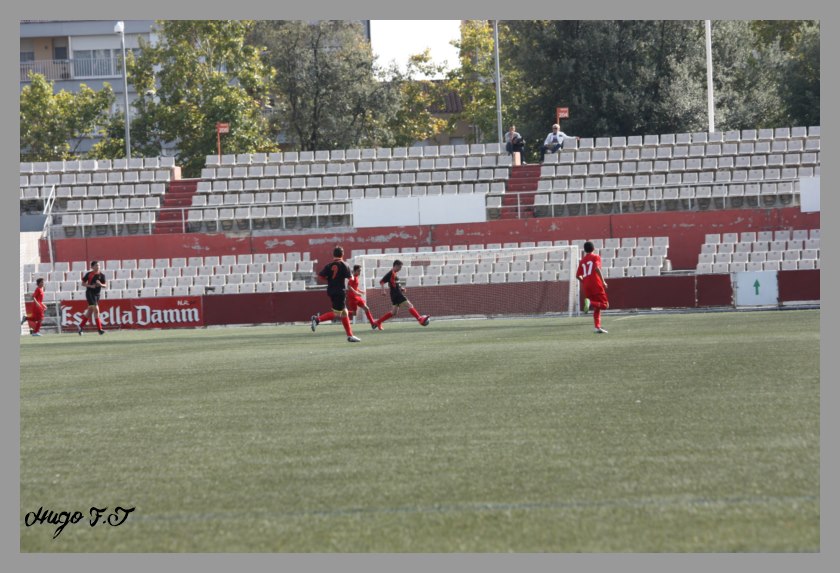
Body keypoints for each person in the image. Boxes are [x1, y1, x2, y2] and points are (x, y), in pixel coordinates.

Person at [310, 246, 361, 342]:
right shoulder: (345, 265)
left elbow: (320, 276)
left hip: (331, 290)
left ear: (333, 255)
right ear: (342, 254)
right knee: (337, 313)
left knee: (344, 313)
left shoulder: (329, 265)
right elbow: (351, 279)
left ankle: (350, 336)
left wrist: (329, 280)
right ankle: (317, 320)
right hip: (339, 291)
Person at [372, 260, 430, 330]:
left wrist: (401, 288)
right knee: (409, 305)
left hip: (395, 294)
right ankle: (420, 319)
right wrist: (383, 290)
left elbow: (395, 284)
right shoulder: (390, 273)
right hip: (397, 294)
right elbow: (381, 281)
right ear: (395, 266)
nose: (400, 269)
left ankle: (378, 322)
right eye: (399, 267)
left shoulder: (395, 273)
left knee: (393, 312)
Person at [576, 242, 609, 334]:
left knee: (597, 307)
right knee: (605, 305)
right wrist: (603, 281)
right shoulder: (595, 257)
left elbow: (578, 276)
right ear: (593, 248)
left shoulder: (582, 261)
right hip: (596, 284)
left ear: (584, 250)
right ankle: (590, 303)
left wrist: (585, 282)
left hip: (587, 286)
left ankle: (597, 327)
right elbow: (597, 269)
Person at [77, 260, 107, 335]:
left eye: (99, 265)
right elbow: (83, 283)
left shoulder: (102, 275)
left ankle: (80, 326)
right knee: (96, 310)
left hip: (97, 294)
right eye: (96, 265)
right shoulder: (89, 274)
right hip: (90, 293)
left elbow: (105, 285)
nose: (98, 267)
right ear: (92, 267)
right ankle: (100, 329)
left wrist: (100, 284)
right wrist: (91, 286)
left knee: (90, 311)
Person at [346, 264, 379, 329]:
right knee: (354, 314)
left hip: (357, 296)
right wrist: (356, 292)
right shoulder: (352, 277)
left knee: (366, 308)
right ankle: (342, 313)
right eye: (358, 271)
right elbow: (349, 286)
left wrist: (360, 291)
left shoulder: (356, 277)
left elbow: (355, 287)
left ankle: (372, 323)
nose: (359, 272)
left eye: (360, 271)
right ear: (354, 271)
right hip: (352, 297)